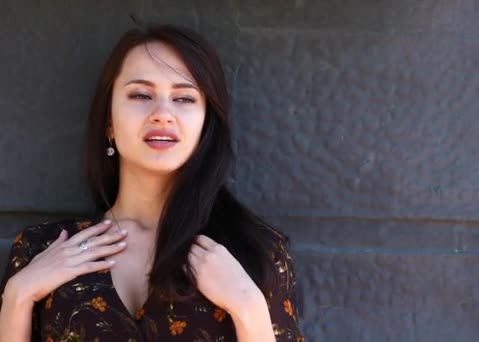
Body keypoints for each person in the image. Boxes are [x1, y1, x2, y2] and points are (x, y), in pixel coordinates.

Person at [0, 23, 304, 342]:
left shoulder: (256, 252)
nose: (162, 113)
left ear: (205, 124)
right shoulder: (43, 249)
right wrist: (18, 297)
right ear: (109, 123)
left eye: (184, 98)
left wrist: (249, 307)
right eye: (141, 94)